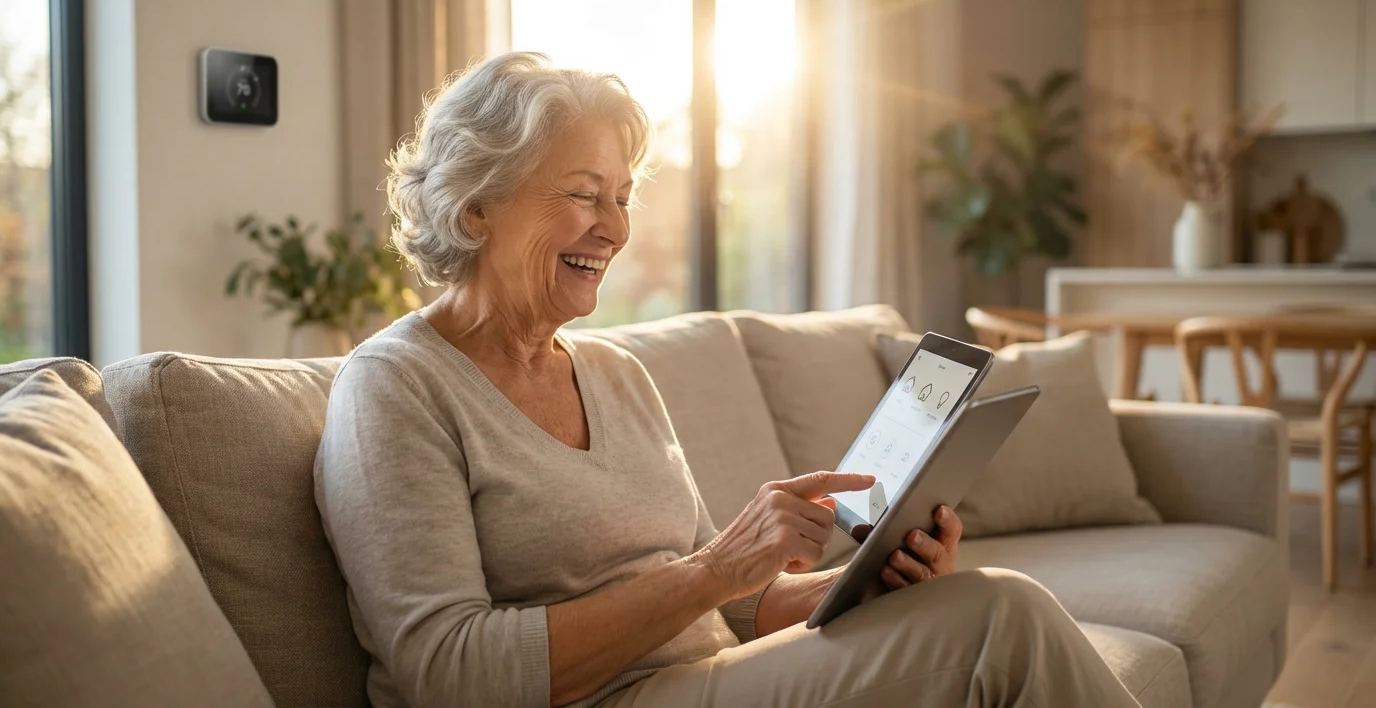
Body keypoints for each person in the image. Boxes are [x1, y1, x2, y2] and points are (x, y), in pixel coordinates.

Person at [314, 52, 1141, 708]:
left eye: (623, 197)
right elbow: (446, 676)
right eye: (583, 195)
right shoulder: (394, 388)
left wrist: (862, 583)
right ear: (473, 207)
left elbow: (733, 609)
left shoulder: (614, 373)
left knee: (972, 609)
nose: (615, 228)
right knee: (1005, 619)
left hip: (704, 681)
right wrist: (713, 569)